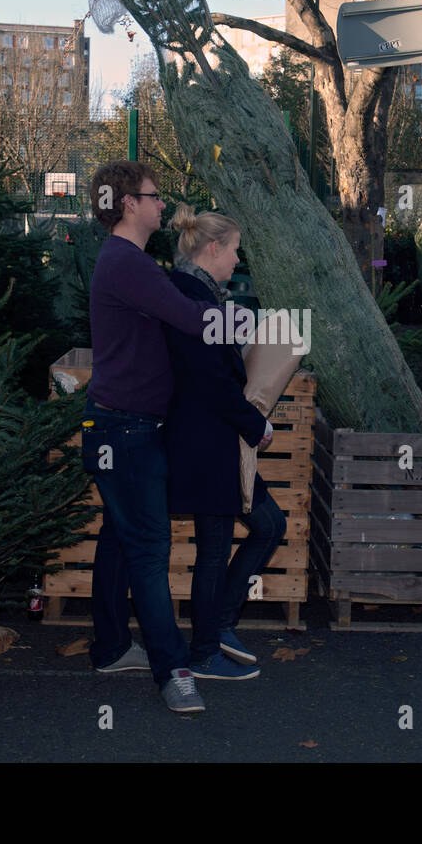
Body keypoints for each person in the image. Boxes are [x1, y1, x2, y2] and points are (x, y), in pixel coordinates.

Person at [83, 160, 217, 714]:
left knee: (120, 539)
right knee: (147, 549)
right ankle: (173, 670)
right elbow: (189, 318)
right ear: (127, 204)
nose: (162, 204)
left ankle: (113, 647)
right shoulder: (126, 263)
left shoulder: (128, 260)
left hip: (121, 427)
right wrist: (256, 326)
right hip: (126, 430)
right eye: (154, 196)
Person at [161, 206, 283, 682]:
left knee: (268, 524)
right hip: (206, 443)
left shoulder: (195, 293)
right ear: (212, 248)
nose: (237, 258)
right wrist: (256, 426)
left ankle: (216, 626)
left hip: (213, 441)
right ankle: (204, 651)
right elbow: (210, 382)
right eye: (233, 248)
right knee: (215, 548)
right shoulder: (194, 299)